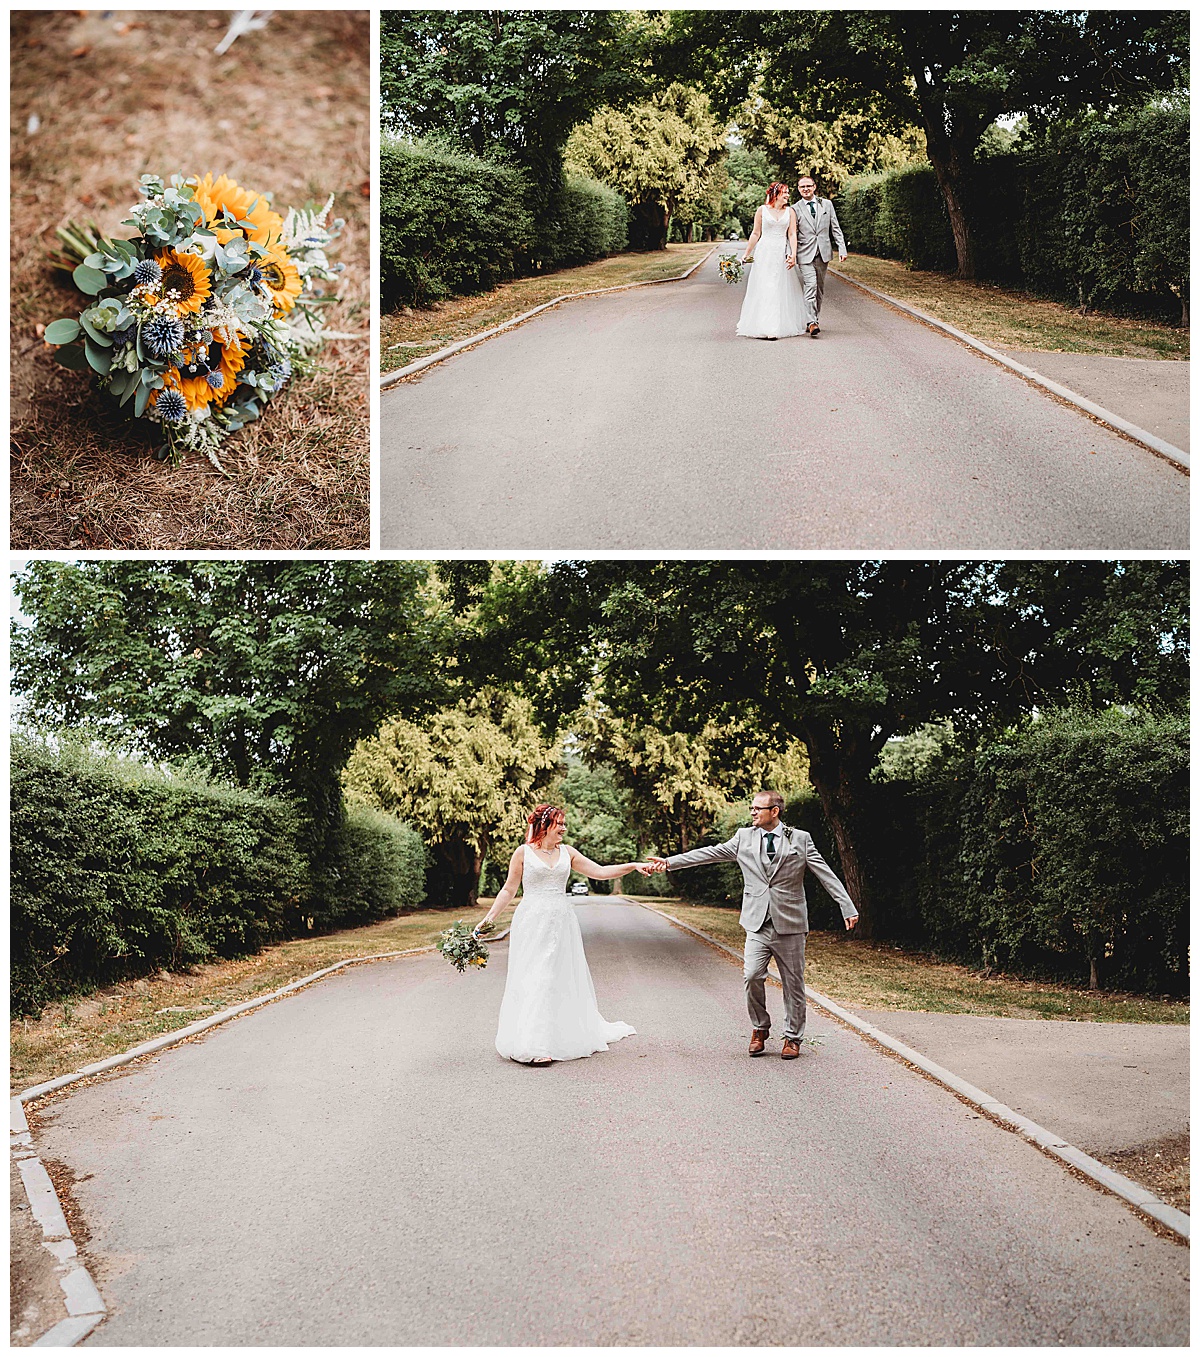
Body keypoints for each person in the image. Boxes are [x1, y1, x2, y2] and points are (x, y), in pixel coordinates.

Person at [648, 790, 857, 1059]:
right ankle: (760, 1028)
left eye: (758, 808)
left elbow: (825, 874)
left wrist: (846, 905)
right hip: (757, 923)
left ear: (775, 811)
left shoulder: (800, 839)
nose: (753, 813)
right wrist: (669, 863)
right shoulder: (743, 837)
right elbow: (709, 853)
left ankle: (793, 1038)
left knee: (794, 983)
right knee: (752, 975)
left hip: (791, 923)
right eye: (752, 808)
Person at [475, 804, 648, 1066]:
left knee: (557, 978)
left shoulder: (568, 853)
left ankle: (554, 1037)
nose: (564, 828)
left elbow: (600, 871)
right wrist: (487, 921)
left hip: (562, 923)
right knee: (535, 977)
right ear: (544, 825)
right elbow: (508, 890)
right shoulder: (522, 853)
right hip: (532, 923)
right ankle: (531, 1045)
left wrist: (633, 865)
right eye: (560, 824)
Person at [735, 182, 811, 340]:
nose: (788, 195)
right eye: (785, 193)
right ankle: (766, 326)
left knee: (778, 287)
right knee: (765, 287)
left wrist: (793, 254)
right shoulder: (762, 210)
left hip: (781, 253)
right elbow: (756, 234)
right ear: (776, 194)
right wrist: (746, 254)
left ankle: (775, 326)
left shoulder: (790, 212)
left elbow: (792, 234)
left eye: (788, 192)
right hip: (764, 253)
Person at [790, 173, 847, 337]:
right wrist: (791, 254)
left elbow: (835, 228)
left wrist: (842, 248)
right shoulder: (795, 209)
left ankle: (815, 318)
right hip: (805, 253)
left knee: (819, 290)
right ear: (799, 189)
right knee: (811, 286)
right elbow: (792, 234)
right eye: (802, 187)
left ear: (814, 187)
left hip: (823, 253)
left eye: (808, 186)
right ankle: (811, 322)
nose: (806, 189)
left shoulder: (827, 205)